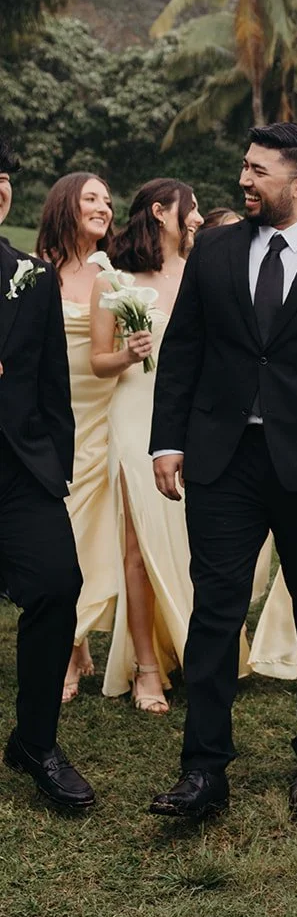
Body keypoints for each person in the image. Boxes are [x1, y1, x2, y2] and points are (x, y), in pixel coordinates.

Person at [148, 123, 297, 819]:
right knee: (216, 608)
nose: (244, 180)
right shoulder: (215, 247)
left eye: (259, 171)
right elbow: (184, 347)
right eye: (244, 168)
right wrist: (168, 441)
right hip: (223, 458)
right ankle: (204, 768)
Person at [91, 180, 211, 714]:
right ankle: (145, 667)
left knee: (194, 542)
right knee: (136, 546)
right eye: (192, 208)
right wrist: (126, 352)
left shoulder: (201, 273)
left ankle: (194, 647)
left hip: (190, 423)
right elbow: (98, 361)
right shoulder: (114, 280)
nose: (200, 217)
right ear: (161, 212)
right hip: (134, 415)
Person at [0, 134, 95, 809]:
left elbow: (52, 382)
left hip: (19, 470)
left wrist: (54, 467)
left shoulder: (31, 277)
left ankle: (35, 739)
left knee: (58, 585)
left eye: (1, 177)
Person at [36, 173, 120, 701]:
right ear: (66, 204)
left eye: (108, 201)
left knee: (86, 531)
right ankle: (79, 645)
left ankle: (69, 645)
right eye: (92, 198)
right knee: (60, 530)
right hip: (49, 416)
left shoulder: (112, 274)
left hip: (100, 414)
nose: (103, 207)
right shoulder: (34, 269)